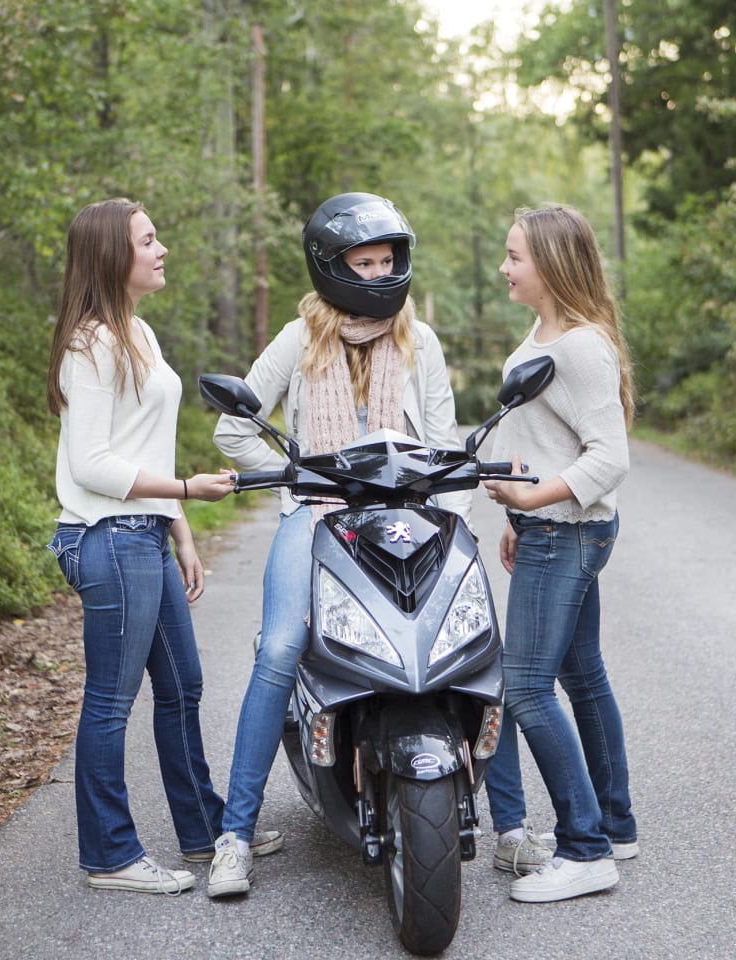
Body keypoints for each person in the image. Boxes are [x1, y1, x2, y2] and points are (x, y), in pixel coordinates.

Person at [206, 192, 470, 898]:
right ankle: (234, 835)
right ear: (334, 267)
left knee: (464, 646)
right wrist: (291, 474)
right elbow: (235, 430)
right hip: (319, 515)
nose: (380, 275)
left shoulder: (422, 340)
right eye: (366, 262)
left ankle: (506, 826)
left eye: (388, 261)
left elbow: (445, 443)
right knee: (280, 647)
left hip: (410, 517)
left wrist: (452, 517)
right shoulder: (300, 339)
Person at [44, 197, 281, 895]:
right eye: (149, 241)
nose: (161, 249)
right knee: (110, 703)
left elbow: (140, 444)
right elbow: (91, 464)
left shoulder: (138, 335)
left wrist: (180, 528)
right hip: (106, 540)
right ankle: (110, 855)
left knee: (183, 688)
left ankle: (204, 832)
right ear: (114, 256)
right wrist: (183, 488)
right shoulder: (90, 345)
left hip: (145, 536)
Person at [481, 203, 639, 904]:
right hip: (554, 529)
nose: (505, 268)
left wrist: (534, 502)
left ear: (550, 264)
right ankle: (615, 823)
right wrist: (522, 506)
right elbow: (554, 441)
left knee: (525, 689)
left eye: (515, 257)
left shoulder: (578, 344)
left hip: (566, 533)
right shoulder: (546, 331)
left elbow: (611, 457)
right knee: (583, 676)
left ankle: (583, 847)